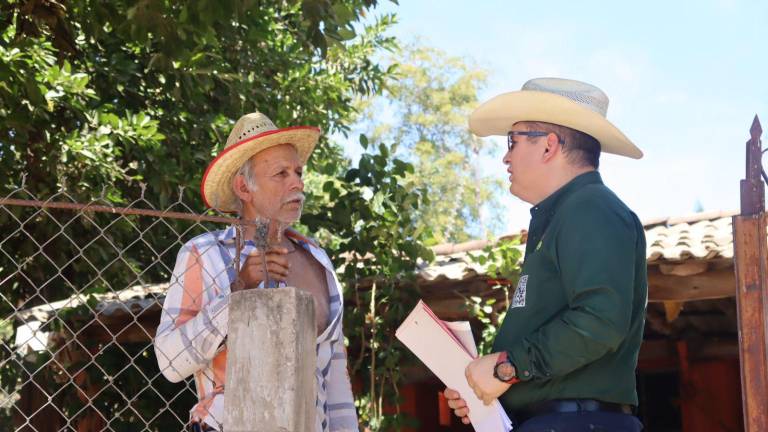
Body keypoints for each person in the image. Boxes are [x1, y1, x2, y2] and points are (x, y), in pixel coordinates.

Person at [445, 78, 647, 431]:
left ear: (549, 146)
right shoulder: (568, 214)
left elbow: (600, 320)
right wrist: (488, 387)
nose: (506, 156)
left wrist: (505, 368)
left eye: (513, 141)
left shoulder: (590, 208)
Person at [154, 112, 358, 432]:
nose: (298, 183)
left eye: (298, 172)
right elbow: (169, 362)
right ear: (243, 187)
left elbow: (334, 379)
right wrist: (238, 294)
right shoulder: (203, 254)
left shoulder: (318, 261)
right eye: (281, 173)